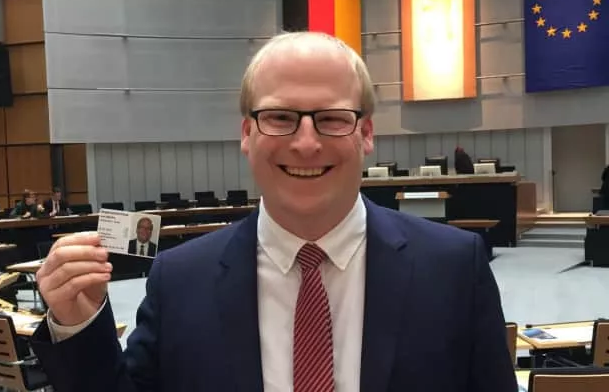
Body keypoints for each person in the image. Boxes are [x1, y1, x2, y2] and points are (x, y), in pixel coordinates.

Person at [30, 32, 516, 391]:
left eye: (332, 118)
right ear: (247, 133)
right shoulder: (180, 280)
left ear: (366, 133)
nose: (305, 143)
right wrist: (78, 324)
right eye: (280, 117)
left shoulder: (454, 268)